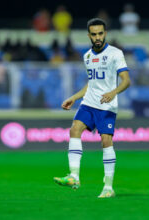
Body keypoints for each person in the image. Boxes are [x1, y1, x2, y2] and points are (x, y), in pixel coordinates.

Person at [54, 18, 131, 198]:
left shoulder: (115, 53)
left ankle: (108, 187)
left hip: (106, 105)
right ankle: (73, 176)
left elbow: (126, 81)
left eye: (100, 33)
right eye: (94, 34)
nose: (97, 37)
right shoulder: (87, 56)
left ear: (105, 33)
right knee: (74, 130)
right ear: (89, 35)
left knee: (106, 141)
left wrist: (113, 92)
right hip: (89, 102)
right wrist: (74, 97)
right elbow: (92, 83)